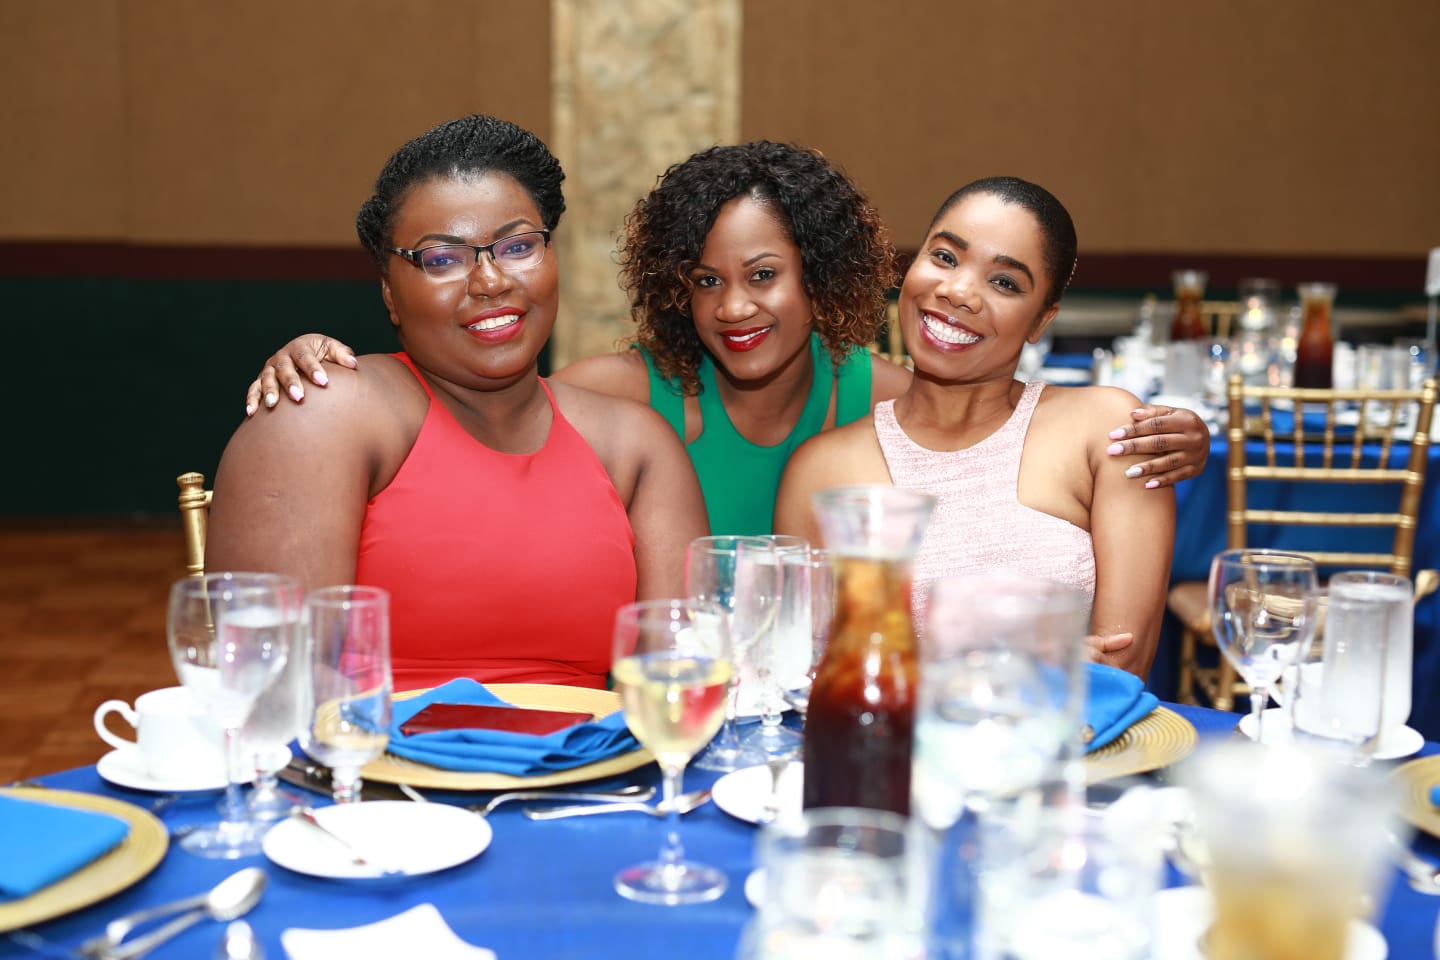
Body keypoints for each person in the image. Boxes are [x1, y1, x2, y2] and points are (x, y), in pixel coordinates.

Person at [240, 143, 1209, 537]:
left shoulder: (877, 395)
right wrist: (325, 359)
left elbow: (1009, 438)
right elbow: (458, 418)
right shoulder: (614, 396)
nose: (734, 309)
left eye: (762, 277)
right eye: (704, 281)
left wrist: (1187, 440)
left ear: (820, 276)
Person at [204, 115, 708, 693]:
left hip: (591, 771)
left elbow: (675, 682)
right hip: (377, 772)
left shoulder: (635, 445)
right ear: (390, 293)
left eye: (518, 246)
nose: (490, 280)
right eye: (442, 259)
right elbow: (273, 687)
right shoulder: (326, 411)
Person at [774, 177, 1174, 679]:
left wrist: (919, 667)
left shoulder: (1107, 430)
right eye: (944, 257)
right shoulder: (822, 470)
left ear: (1040, 322)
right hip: (891, 754)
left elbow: (1122, 664)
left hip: (1072, 748)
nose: (959, 291)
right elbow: (804, 672)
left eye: (1005, 282)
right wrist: (1019, 662)